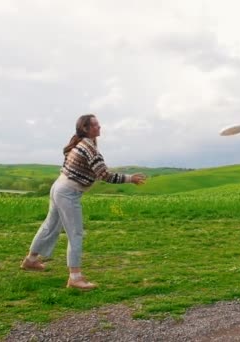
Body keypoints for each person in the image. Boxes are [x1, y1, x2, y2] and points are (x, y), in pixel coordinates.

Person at [20, 114, 146, 290]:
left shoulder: (83, 144)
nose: (99, 127)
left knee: (51, 225)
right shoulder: (89, 148)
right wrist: (129, 178)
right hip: (68, 192)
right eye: (95, 125)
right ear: (85, 129)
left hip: (59, 186)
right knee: (75, 233)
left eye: (98, 124)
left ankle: (31, 260)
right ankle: (75, 278)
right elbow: (105, 175)